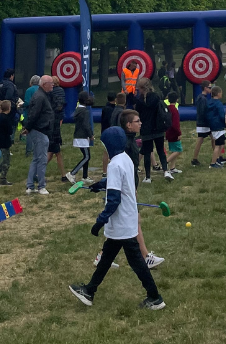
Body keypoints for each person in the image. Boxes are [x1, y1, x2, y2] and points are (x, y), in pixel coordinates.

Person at [69, 126, 165, 311]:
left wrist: (100, 220)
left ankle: (155, 297)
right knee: (107, 258)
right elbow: (118, 182)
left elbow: (113, 199)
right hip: (126, 219)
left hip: (121, 221)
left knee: (137, 262)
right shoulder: (125, 158)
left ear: (109, 145)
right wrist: (100, 184)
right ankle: (89, 291)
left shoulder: (113, 165)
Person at [134, 78, 173, 183]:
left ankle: (148, 177)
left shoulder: (140, 100)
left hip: (146, 129)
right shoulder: (156, 97)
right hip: (157, 127)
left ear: (142, 88)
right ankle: (166, 171)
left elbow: (137, 112)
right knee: (161, 150)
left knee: (147, 153)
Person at [23, 75, 55, 195]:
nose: (53, 85)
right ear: (44, 84)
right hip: (40, 131)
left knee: (36, 159)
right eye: (51, 83)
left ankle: (30, 186)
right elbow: (33, 114)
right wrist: (28, 127)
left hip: (39, 130)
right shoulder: (40, 97)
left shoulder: (42, 95)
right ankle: (41, 186)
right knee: (41, 159)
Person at [67, 91, 94, 183]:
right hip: (82, 136)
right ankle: (72, 173)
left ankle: (85, 176)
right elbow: (86, 125)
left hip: (79, 135)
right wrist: (90, 135)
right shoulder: (85, 111)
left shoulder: (78, 109)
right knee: (87, 157)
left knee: (86, 155)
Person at [45, 77, 67, 181]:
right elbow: (61, 105)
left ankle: (38, 172)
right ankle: (63, 175)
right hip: (56, 124)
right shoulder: (60, 91)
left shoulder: (49, 94)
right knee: (55, 152)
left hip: (50, 123)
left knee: (52, 152)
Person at [191, 81, 213, 167]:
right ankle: (194, 159)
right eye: (210, 87)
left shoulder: (202, 97)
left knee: (212, 138)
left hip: (203, 122)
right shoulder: (202, 99)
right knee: (202, 140)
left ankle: (218, 156)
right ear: (205, 88)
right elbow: (202, 112)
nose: (211, 89)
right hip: (204, 123)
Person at [206, 86, 226, 169]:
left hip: (212, 125)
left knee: (222, 142)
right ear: (218, 94)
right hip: (219, 126)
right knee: (218, 145)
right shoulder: (218, 103)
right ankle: (213, 162)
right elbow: (222, 115)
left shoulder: (209, 102)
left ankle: (218, 158)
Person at [165, 91, 182, 173]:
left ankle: (172, 167)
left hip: (168, 132)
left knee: (173, 150)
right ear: (177, 99)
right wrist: (179, 133)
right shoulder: (174, 110)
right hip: (174, 133)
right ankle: (165, 163)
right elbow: (175, 124)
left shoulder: (167, 109)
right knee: (178, 150)